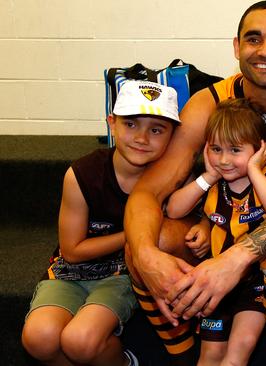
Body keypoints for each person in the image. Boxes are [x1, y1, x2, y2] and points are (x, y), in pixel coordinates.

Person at [123, 1, 266, 364]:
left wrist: (237, 259)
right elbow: (147, 192)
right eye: (254, 39)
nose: (265, 51)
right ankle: (184, 355)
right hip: (220, 229)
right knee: (144, 241)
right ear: (237, 47)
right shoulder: (209, 102)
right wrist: (145, 256)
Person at [21, 80, 179, 366]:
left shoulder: (171, 177)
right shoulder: (83, 173)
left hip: (123, 275)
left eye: (156, 130)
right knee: (39, 337)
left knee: (80, 340)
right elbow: (72, 250)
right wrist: (136, 232)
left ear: (173, 135)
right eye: (131, 124)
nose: (142, 138)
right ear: (112, 123)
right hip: (72, 271)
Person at [165, 98, 266, 366]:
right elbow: (173, 209)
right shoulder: (213, 185)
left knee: (237, 353)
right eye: (216, 149)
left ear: (260, 149)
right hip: (215, 283)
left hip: (256, 284)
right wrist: (207, 177)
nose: (224, 159)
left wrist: (254, 170)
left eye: (234, 150)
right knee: (209, 356)